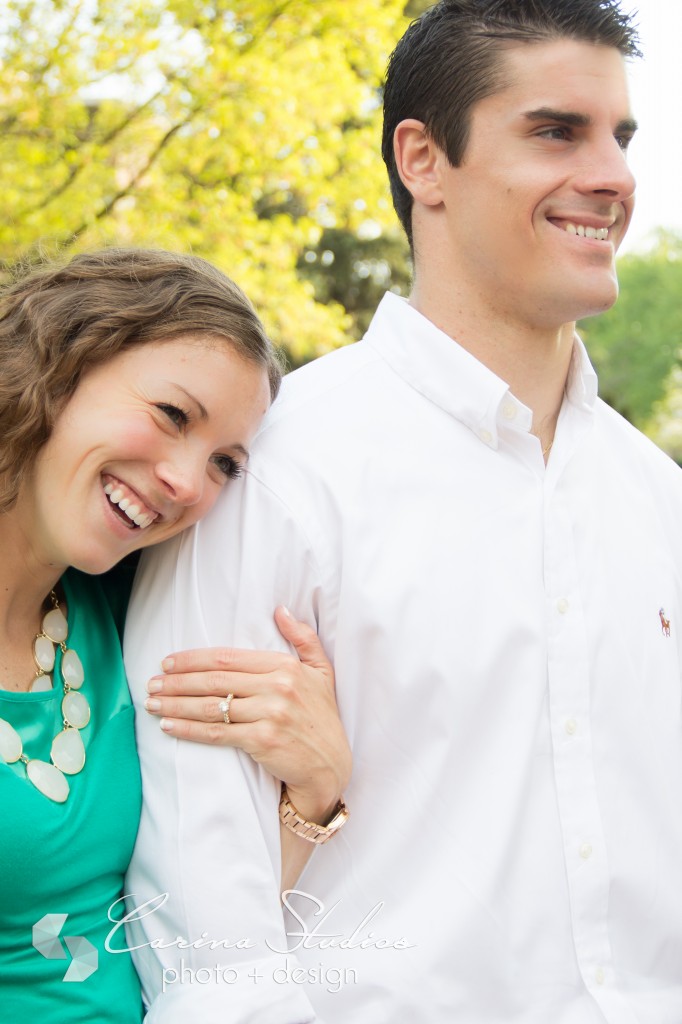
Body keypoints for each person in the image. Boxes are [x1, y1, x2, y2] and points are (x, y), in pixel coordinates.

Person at [125, 1, 682, 1021]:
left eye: (622, 137)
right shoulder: (272, 471)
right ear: (423, 161)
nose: (613, 176)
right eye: (556, 131)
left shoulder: (662, 503)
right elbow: (205, 917)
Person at [0, 248, 348, 1023]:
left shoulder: (127, 617)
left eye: (225, 462)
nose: (189, 485)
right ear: (61, 359)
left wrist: (313, 789)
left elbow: (207, 933)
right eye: (172, 416)